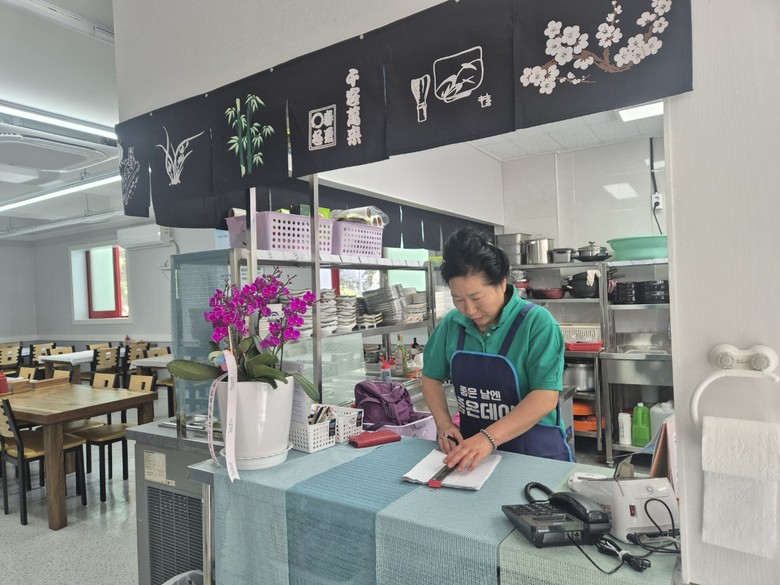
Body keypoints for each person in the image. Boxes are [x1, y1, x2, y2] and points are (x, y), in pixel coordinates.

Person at [421, 227, 571, 473]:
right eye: (459, 300)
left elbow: (545, 396)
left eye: (477, 298)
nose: (469, 310)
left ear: (502, 284)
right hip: (473, 455)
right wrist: (444, 424)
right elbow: (430, 377)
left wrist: (488, 438)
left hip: (534, 454)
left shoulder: (537, 323)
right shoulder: (451, 324)